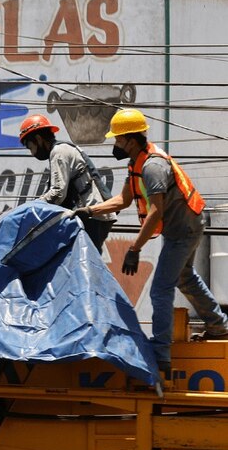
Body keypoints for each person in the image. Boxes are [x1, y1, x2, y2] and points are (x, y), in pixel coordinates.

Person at [81, 108, 228, 373]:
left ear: (130, 140)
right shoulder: (137, 162)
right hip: (183, 226)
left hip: (183, 229)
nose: (114, 144)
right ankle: (218, 326)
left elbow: (156, 210)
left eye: (117, 139)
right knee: (185, 277)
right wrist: (89, 210)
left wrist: (135, 248)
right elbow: (123, 200)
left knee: (160, 289)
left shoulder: (152, 166)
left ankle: (161, 354)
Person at [18, 114, 116, 252]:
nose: (32, 153)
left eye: (30, 147)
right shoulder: (62, 150)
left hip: (90, 216)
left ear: (38, 139)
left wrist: (29, 209)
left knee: (82, 264)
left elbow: (58, 193)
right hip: (93, 216)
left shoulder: (58, 152)